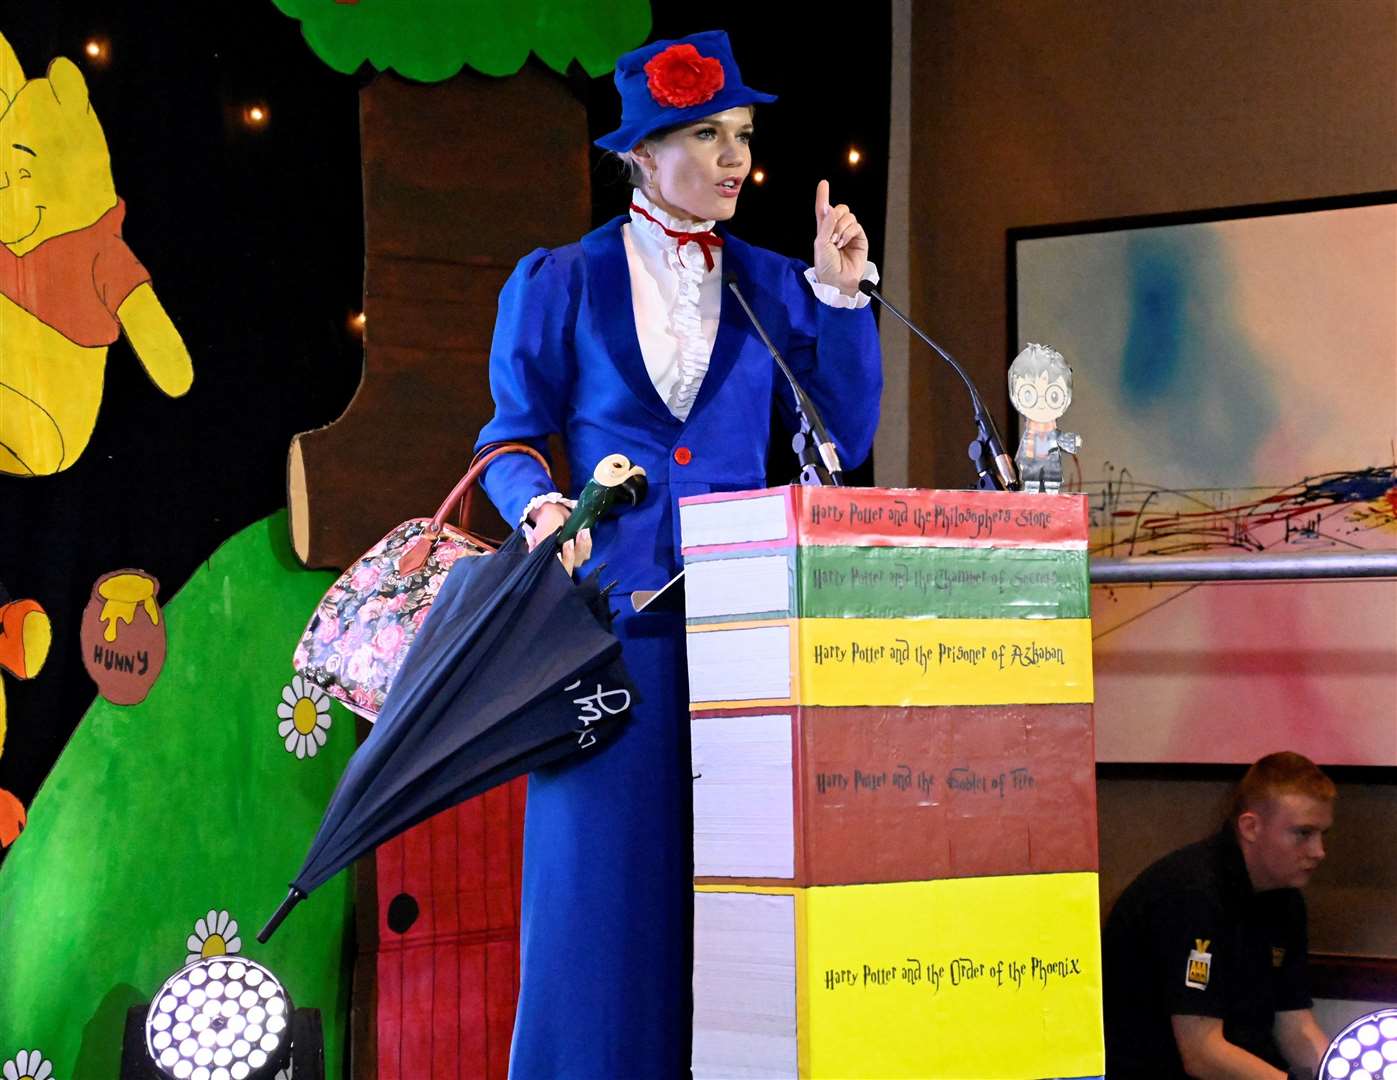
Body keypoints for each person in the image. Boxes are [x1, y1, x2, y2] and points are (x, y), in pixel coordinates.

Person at [473, 29, 883, 1077]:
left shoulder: (775, 282)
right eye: (705, 134)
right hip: (605, 648)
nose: (735, 157)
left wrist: (840, 299)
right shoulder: (558, 280)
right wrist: (536, 510)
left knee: (735, 923)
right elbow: (509, 438)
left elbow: (840, 432)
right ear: (640, 154)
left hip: (743, 649)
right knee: (594, 923)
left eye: (741, 134)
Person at [1102, 751, 1336, 1078]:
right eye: (1303, 833)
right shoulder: (1191, 893)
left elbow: (1294, 1025)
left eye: (1323, 834)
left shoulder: (1285, 900)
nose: (1318, 851)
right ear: (1251, 827)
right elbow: (1201, 1053)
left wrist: (1340, 1073)